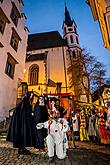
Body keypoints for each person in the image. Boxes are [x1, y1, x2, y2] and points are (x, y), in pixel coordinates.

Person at [37, 98, 70, 163]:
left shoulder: (62, 120)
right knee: (48, 137)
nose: (55, 115)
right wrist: (40, 125)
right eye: (53, 113)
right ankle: (51, 155)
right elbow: (43, 124)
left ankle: (63, 151)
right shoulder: (50, 121)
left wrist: (65, 127)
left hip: (59, 139)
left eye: (56, 113)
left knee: (61, 156)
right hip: (52, 137)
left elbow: (67, 126)